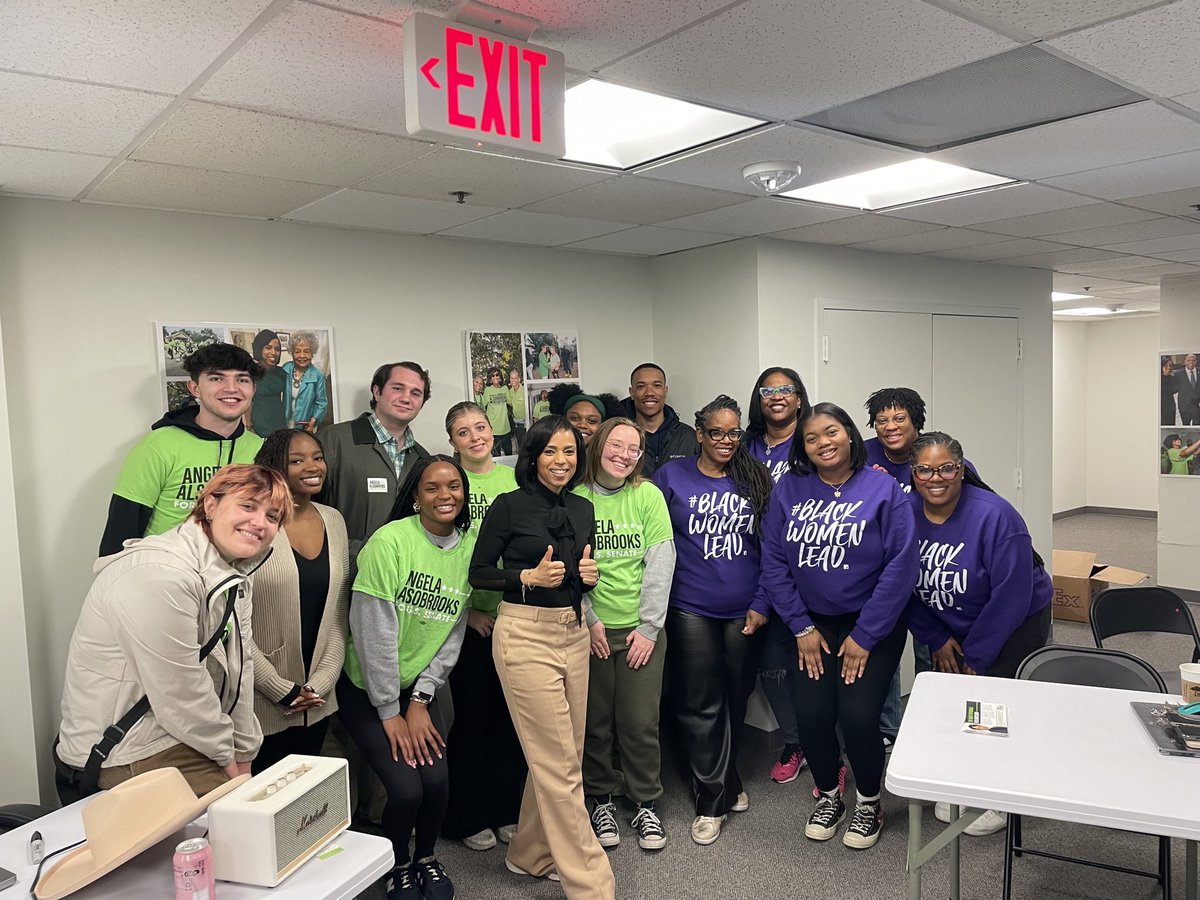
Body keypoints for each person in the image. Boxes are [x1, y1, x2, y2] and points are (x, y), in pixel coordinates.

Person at [56, 464, 289, 799]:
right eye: (248, 506)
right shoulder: (159, 575)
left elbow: (241, 670)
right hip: (127, 747)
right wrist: (226, 757)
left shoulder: (232, 572)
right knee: (242, 834)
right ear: (210, 505)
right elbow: (179, 690)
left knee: (259, 815)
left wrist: (245, 754)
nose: (260, 523)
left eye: (272, 516)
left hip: (180, 733)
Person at [759, 402, 917, 851]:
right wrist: (801, 628)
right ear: (802, 448)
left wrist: (865, 636)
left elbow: (900, 568)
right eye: (811, 438)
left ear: (849, 435)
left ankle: (869, 801)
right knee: (811, 715)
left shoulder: (884, 491)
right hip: (811, 624)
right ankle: (830, 796)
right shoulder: (789, 489)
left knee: (859, 714)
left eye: (831, 432)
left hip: (873, 623)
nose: (823, 443)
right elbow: (773, 562)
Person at [469, 415, 615, 899]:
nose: (561, 461)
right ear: (533, 458)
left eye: (570, 452)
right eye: (550, 452)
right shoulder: (508, 507)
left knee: (562, 757)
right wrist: (527, 579)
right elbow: (479, 573)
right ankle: (591, 883)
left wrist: (586, 576)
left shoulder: (582, 507)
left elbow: (575, 575)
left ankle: (528, 853)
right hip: (524, 637)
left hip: (571, 633)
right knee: (559, 766)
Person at [337, 455, 473, 900]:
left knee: (437, 785)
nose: (444, 495)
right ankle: (396, 862)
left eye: (453, 486)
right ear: (415, 495)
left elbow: (452, 633)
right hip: (368, 690)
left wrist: (419, 701)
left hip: (418, 690)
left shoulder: (469, 549)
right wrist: (391, 711)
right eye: (432, 487)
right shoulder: (389, 541)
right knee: (405, 790)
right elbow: (373, 632)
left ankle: (426, 858)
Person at [907, 431, 1052, 836]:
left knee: (995, 707)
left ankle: (996, 796)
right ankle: (959, 779)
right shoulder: (904, 513)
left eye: (947, 468)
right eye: (924, 470)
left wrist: (977, 656)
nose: (936, 478)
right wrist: (934, 638)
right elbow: (897, 584)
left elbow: (1012, 594)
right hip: (949, 622)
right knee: (954, 703)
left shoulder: (997, 516)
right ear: (913, 473)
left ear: (961, 467)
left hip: (1014, 621)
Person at [655, 395, 772, 846]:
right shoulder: (671, 476)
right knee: (699, 700)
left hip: (745, 607)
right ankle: (711, 799)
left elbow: (772, 550)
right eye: (717, 432)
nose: (726, 440)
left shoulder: (754, 477)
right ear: (700, 434)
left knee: (735, 694)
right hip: (690, 606)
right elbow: (656, 541)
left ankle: (728, 777)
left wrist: (763, 602)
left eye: (734, 432)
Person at [576, 417, 676, 851]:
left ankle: (644, 801)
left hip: (642, 631)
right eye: (615, 445)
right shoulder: (575, 498)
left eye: (633, 449)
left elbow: (661, 562)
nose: (623, 454)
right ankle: (600, 797)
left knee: (638, 722)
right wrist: (590, 620)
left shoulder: (647, 495)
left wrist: (650, 628)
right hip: (590, 629)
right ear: (598, 445)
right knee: (595, 724)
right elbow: (566, 569)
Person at [438, 403, 525, 852]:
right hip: (469, 622)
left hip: (515, 618)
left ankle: (508, 808)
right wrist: (468, 613)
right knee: (472, 719)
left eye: (480, 427)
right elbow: (446, 556)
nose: (475, 437)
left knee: (512, 719)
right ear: (451, 441)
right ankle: (467, 815)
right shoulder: (449, 483)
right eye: (462, 432)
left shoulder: (514, 479)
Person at [99, 342, 265, 557]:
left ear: (253, 389)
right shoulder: (158, 446)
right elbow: (120, 532)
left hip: (236, 580)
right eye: (217, 378)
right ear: (195, 388)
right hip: (165, 578)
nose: (231, 388)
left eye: (242, 379)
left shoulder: (261, 448)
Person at [249, 429, 349, 774]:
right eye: (297, 460)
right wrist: (278, 688)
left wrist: (319, 684)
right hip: (258, 700)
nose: (312, 466)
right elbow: (231, 624)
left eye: (317, 457)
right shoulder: (252, 524)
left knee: (303, 809)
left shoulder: (333, 520)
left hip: (315, 700)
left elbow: (339, 614)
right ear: (275, 466)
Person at [744, 367, 817, 787]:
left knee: (815, 663)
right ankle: (795, 743)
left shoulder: (811, 442)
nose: (776, 396)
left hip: (807, 567)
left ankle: (829, 742)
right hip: (759, 568)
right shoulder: (746, 445)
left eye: (784, 389)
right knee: (772, 665)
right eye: (767, 390)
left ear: (799, 398)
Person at [319, 361, 431, 559]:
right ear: (377, 392)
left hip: (402, 576)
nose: (406, 398)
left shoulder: (422, 459)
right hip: (342, 571)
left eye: (416, 393)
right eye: (397, 388)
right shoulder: (333, 440)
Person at [621, 363, 698, 476]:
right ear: (632, 392)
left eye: (656, 386)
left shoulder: (688, 436)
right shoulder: (620, 436)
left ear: (665, 390)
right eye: (641, 386)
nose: (649, 393)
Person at [282, 330, 328, 433]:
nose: (302, 356)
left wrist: (313, 421)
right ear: (292, 353)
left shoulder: (318, 376)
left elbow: (321, 404)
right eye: (297, 351)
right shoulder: (285, 369)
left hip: (306, 425)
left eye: (306, 351)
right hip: (285, 422)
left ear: (312, 354)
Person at [246, 329, 287, 436]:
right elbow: (247, 402)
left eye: (277, 349)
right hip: (259, 425)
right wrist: (248, 426)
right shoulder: (251, 372)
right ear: (260, 349)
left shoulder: (281, 372)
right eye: (268, 348)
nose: (273, 352)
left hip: (280, 423)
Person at [481, 366, 514, 456]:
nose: (495, 377)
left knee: (509, 455)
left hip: (505, 428)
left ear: (500, 377)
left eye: (497, 375)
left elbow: (510, 402)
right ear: (490, 379)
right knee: (496, 457)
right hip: (493, 430)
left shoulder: (505, 388)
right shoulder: (488, 390)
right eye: (492, 376)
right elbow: (482, 406)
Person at [1175, 353, 1200, 425]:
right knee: (1185, 425)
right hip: (1184, 406)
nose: (1191, 362)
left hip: (1197, 406)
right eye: (1188, 360)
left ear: (1196, 361)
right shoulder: (1177, 374)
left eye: (1193, 360)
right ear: (1185, 362)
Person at [507, 369, 527, 450]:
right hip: (517, 424)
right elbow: (510, 404)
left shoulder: (524, 390)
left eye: (515, 378)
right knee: (521, 447)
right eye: (512, 378)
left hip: (526, 424)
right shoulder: (510, 391)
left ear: (519, 379)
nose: (513, 380)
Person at [1162, 357, 1178, 426]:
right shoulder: (1158, 378)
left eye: (1170, 366)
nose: (1169, 368)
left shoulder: (1172, 378)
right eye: (1166, 366)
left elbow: (1175, 390)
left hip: (1170, 405)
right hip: (1161, 405)